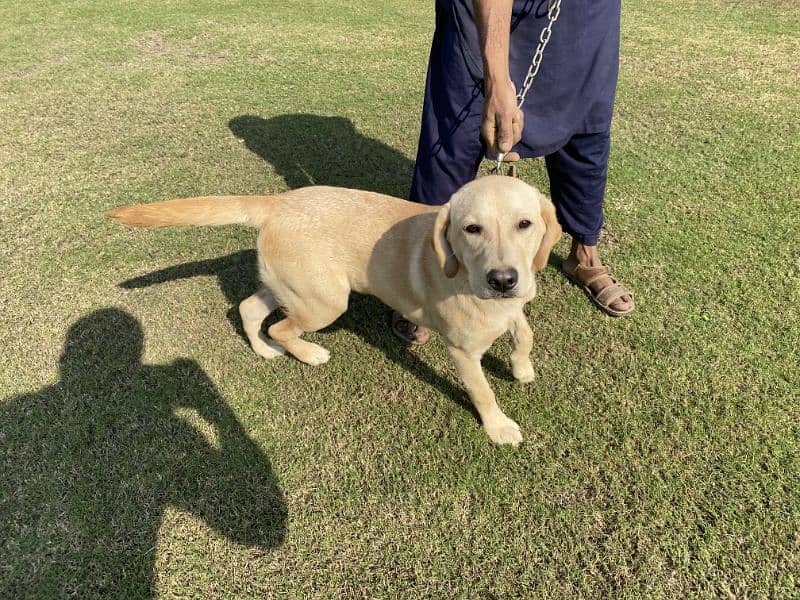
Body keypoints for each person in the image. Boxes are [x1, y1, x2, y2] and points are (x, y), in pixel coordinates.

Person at [392, 0, 634, 344]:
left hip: (581, 13)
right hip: (482, 11)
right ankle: (424, 280)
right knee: (452, 139)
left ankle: (584, 254)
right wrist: (497, 79)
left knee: (586, 130)